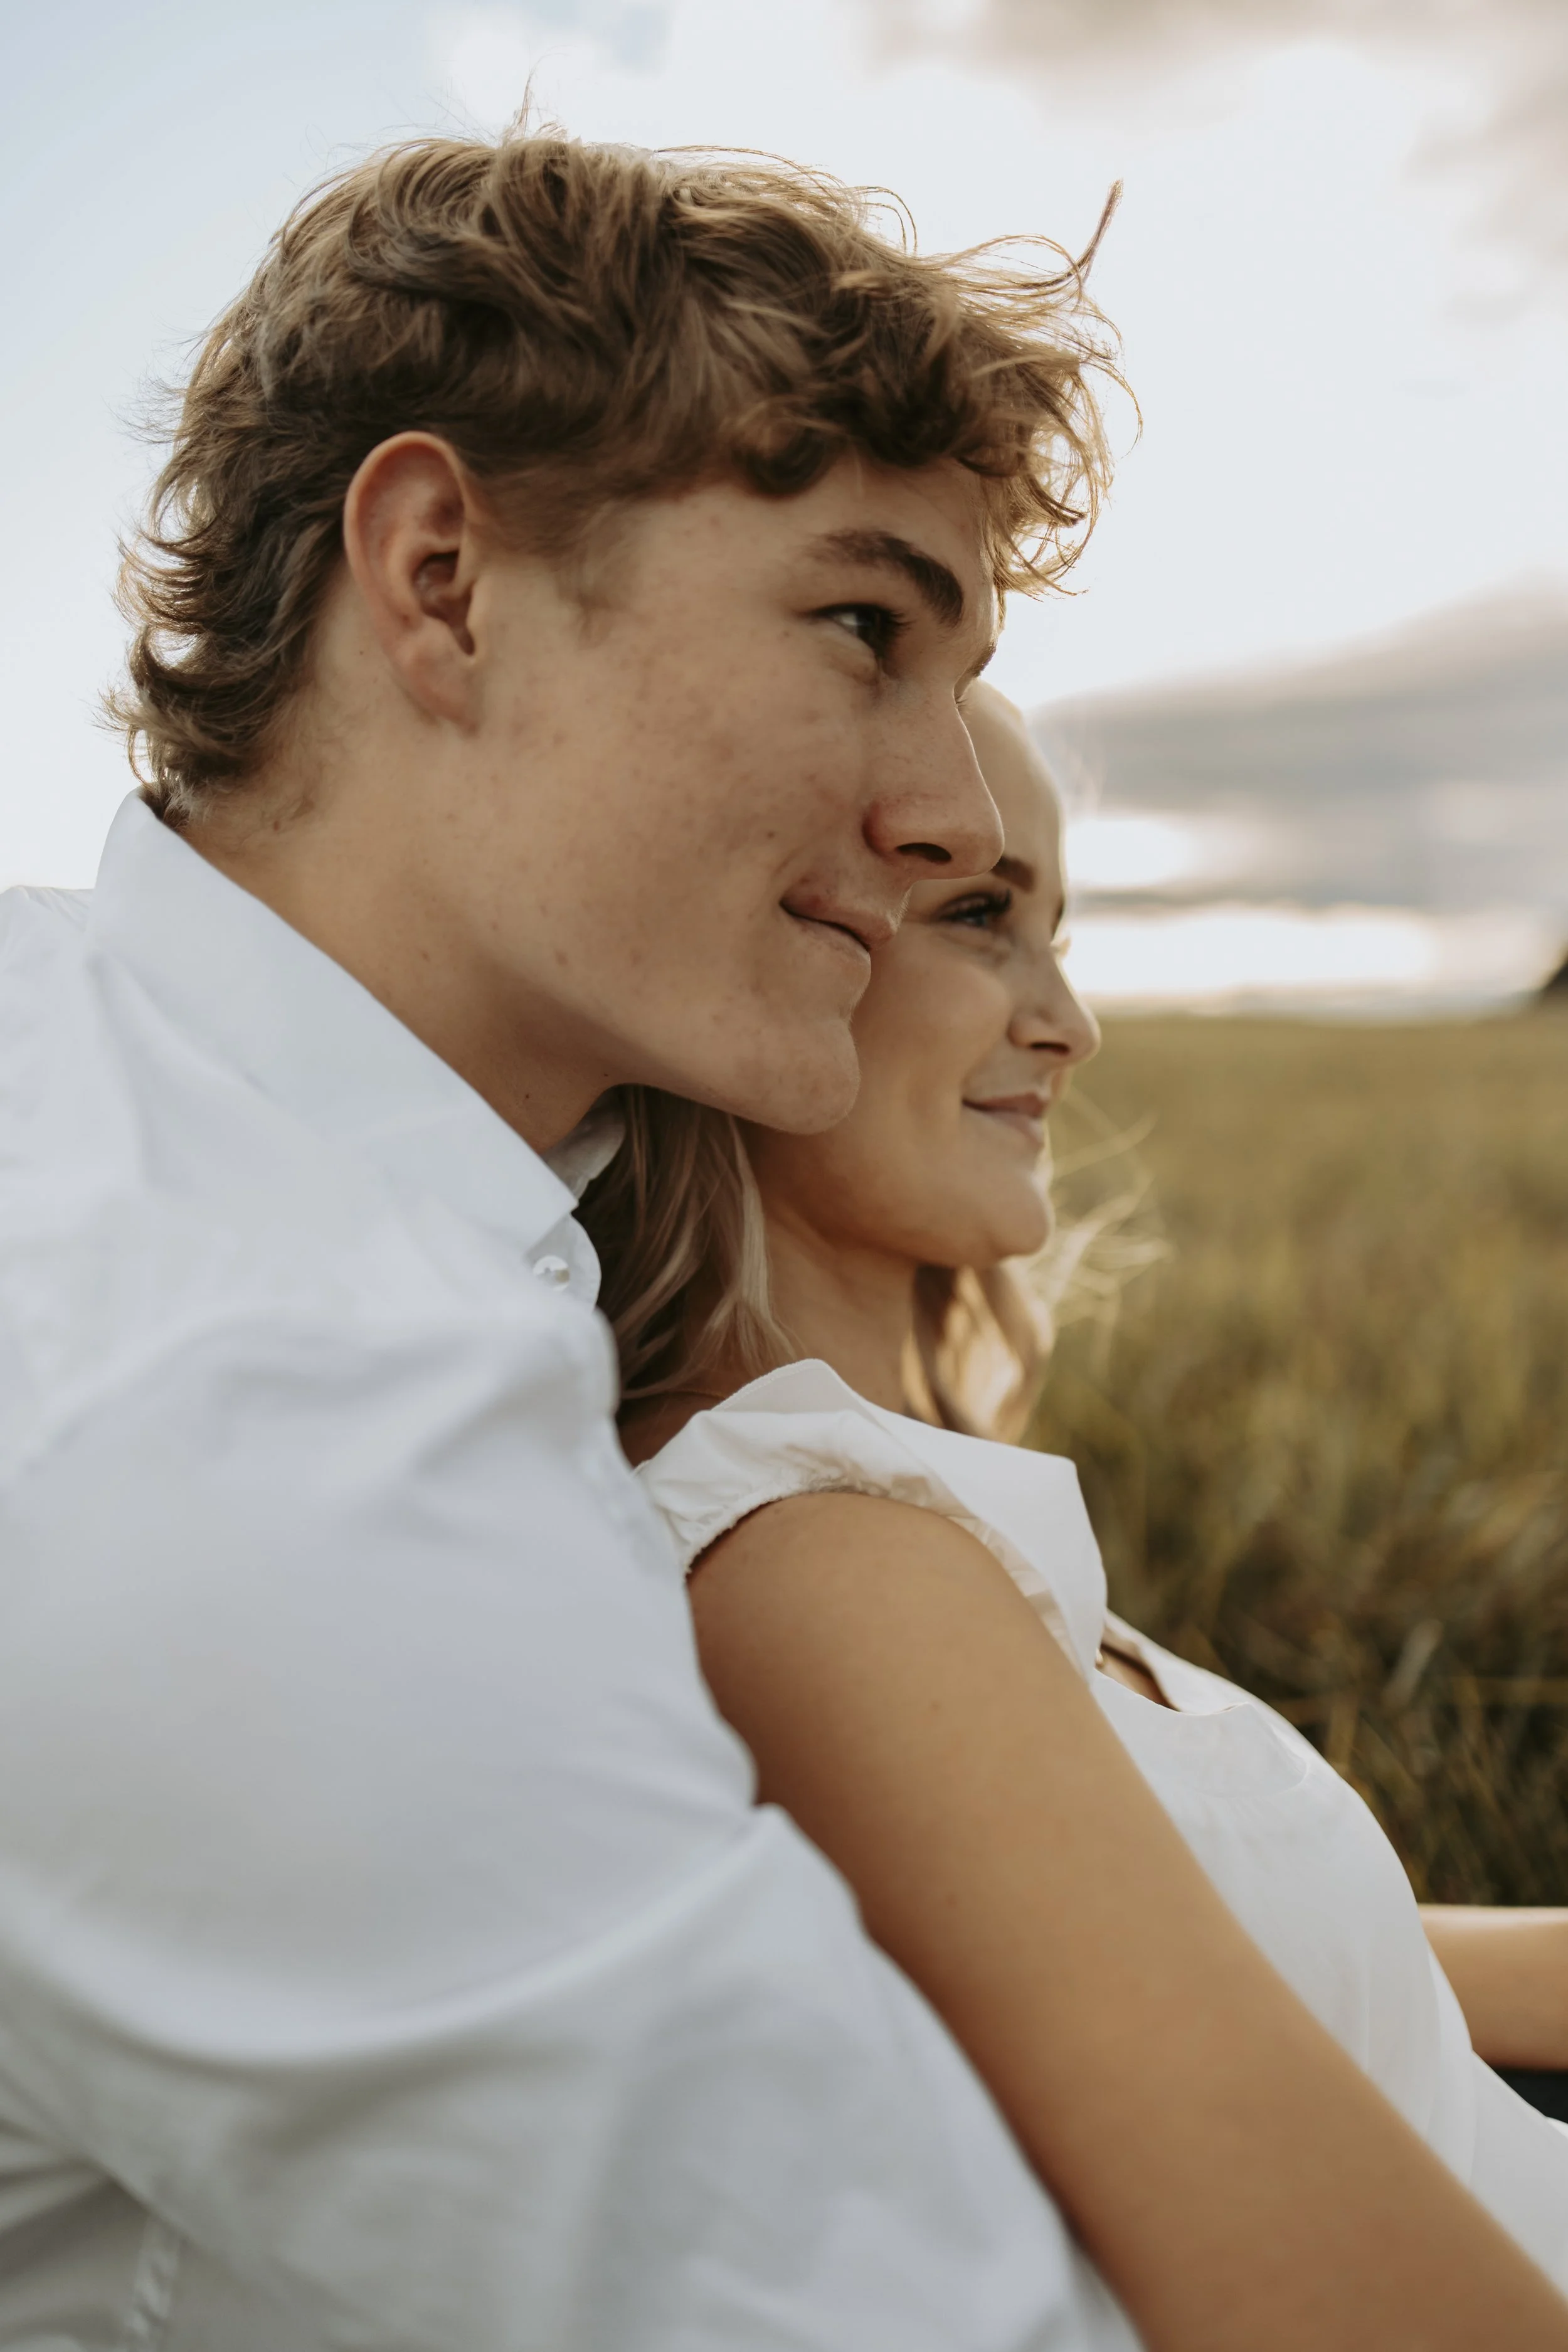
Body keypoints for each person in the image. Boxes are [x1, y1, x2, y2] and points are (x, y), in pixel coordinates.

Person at [0, 130, 1153, 2351]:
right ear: (439, 576)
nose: (942, 801)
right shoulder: (250, 1436)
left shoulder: (219, 1139)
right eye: (861, 626)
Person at [593, 681, 1568, 2349]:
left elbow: (1183, 1938)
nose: (1070, 1023)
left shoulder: (889, 1491)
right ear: (751, 964)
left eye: (1055, 927)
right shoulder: (816, 1562)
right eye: (980, 915)